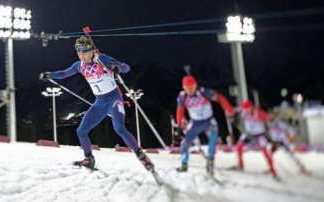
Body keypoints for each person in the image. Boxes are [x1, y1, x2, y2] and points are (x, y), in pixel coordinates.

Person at [39, 36, 154, 172]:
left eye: (84, 52)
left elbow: (126, 67)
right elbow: (64, 73)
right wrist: (50, 75)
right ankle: (89, 159)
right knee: (81, 131)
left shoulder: (102, 59)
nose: (82, 56)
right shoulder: (79, 65)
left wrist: (116, 67)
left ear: (91, 51)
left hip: (113, 99)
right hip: (100, 102)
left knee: (119, 128)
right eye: (79, 53)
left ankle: (141, 155)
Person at [175, 75, 234, 177]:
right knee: (185, 143)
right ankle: (184, 164)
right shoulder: (182, 96)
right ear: (184, 88)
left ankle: (210, 163)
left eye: (192, 87)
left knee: (213, 141)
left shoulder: (203, 92)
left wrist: (229, 110)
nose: (190, 90)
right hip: (195, 123)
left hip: (208, 121)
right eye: (187, 88)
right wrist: (179, 124)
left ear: (195, 85)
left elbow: (220, 98)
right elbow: (180, 110)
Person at [235, 100, 278, 178]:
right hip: (249, 134)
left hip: (259, 134)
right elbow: (233, 110)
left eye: (247, 109)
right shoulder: (243, 112)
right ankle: (240, 164)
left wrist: (264, 118)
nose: (245, 110)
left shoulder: (257, 112)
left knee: (265, 150)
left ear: (251, 107)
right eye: (244, 109)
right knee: (239, 146)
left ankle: (272, 170)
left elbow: (268, 118)